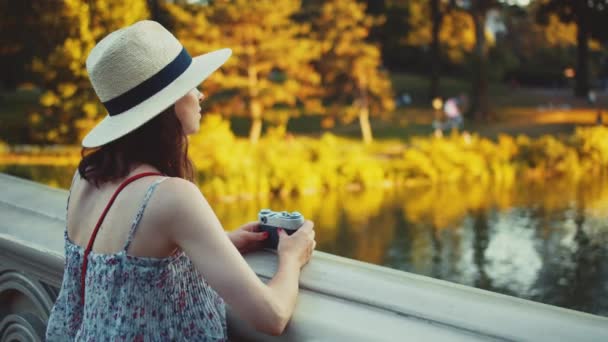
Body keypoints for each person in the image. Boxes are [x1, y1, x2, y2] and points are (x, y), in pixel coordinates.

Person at [45, 20, 316, 341]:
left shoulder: (86, 177)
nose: (200, 94)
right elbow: (272, 315)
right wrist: (291, 258)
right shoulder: (171, 196)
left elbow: (127, 274)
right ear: (168, 104)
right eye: (191, 85)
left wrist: (220, 242)